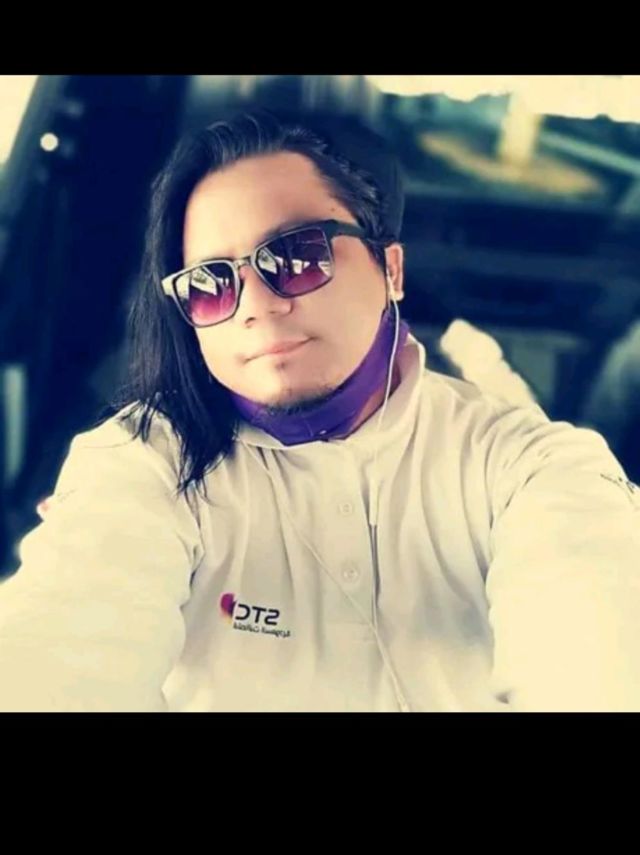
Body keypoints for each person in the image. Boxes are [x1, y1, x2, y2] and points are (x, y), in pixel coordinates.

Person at [1, 108, 639, 713]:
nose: (256, 305)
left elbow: (594, 653)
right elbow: (64, 648)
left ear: (391, 269)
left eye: (298, 257)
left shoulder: (524, 467)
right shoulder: (143, 464)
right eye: (211, 283)